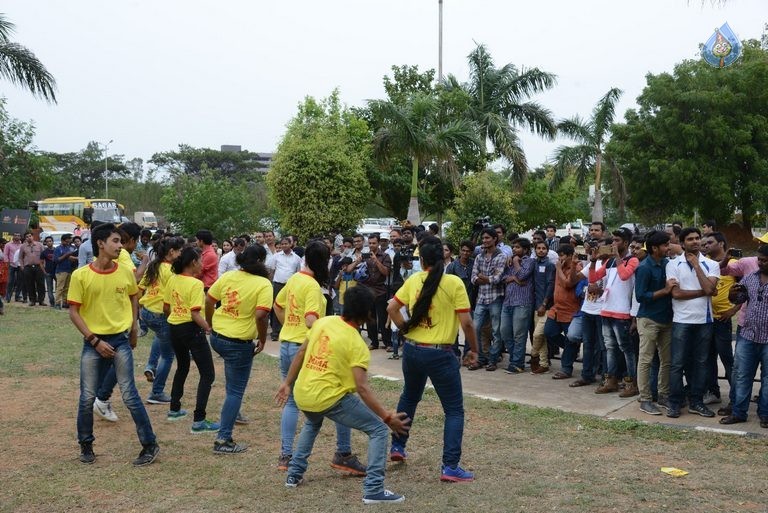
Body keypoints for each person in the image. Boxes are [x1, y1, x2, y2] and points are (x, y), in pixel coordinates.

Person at [276, 286, 411, 504]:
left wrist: (287, 383)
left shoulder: (323, 322)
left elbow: (301, 352)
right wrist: (386, 417)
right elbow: (362, 388)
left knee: (312, 423)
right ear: (367, 314)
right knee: (378, 430)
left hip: (304, 392)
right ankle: (374, 489)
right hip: (328, 397)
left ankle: (294, 474)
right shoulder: (357, 344)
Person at [387, 235, 478, 482]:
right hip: (441, 353)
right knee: (454, 411)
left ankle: (397, 447)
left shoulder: (414, 280)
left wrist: (405, 330)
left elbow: (391, 309)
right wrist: (474, 349)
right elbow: (467, 322)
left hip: (414, 350)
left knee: (410, 396)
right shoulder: (454, 283)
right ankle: (450, 466)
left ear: (422, 259)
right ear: (444, 257)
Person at [68, 223, 159, 466]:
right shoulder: (81, 275)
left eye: (121, 242)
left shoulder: (124, 272)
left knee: (130, 395)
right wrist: (94, 341)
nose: (120, 246)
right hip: (92, 342)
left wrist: (133, 328)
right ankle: (86, 445)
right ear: (100, 244)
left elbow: (133, 297)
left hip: (120, 340)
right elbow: (74, 311)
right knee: (87, 396)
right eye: (116, 241)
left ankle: (150, 445)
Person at [274, 240, 366, 475]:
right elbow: (311, 321)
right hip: (302, 348)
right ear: (323, 262)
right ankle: (343, 453)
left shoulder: (295, 278)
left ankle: (286, 456)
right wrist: (323, 337)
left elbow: (277, 305)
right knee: (339, 395)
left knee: (292, 402)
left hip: (286, 345)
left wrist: (288, 327)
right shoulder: (313, 287)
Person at [206, 245, 273, 453]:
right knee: (235, 391)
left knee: (232, 386)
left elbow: (209, 299)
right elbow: (261, 316)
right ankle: (223, 439)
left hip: (218, 337)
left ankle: (233, 413)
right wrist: (262, 339)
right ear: (261, 261)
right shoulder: (263, 284)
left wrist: (210, 323)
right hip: (238, 342)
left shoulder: (229, 277)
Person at [164, 246, 220, 433]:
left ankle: (174, 408)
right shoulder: (196, 284)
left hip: (174, 327)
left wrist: (175, 319)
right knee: (208, 374)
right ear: (193, 263)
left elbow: (166, 307)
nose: (202, 263)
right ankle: (199, 420)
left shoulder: (173, 279)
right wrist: (209, 328)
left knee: (182, 366)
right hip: (191, 329)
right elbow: (195, 314)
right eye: (200, 260)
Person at [665, 227, 719, 419]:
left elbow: (710, 288)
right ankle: (674, 403)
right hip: (681, 320)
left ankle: (697, 402)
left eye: (698, 238)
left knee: (702, 363)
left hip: (704, 320)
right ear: (682, 243)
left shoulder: (711, 264)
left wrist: (696, 265)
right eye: (690, 239)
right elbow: (676, 294)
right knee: (677, 364)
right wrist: (705, 292)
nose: (695, 242)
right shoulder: (673, 264)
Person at [719, 244, 768, 427]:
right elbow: (739, 299)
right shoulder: (750, 278)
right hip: (747, 335)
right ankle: (739, 412)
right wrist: (733, 295)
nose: (760, 263)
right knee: (742, 375)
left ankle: (765, 414)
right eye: (759, 260)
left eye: (764, 261)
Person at [634, 231, 676, 415]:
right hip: (649, 319)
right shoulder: (644, 268)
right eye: (665, 245)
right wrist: (665, 291)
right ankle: (645, 399)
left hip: (667, 319)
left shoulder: (668, 264)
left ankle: (664, 395)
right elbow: (641, 296)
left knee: (667, 361)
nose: (668, 248)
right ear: (654, 248)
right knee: (646, 360)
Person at [138, 237, 183, 404]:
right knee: (167, 356)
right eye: (179, 251)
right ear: (171, 252)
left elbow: (140, 288)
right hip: (160, 314)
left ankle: (150, 366)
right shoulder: (170, 271)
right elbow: (169, 301)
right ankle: (156, 392)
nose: (180, 254)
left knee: (160, 336)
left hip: (147, 311)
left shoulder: (154, 265)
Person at [469, 227, 505, 370]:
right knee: (475, 328)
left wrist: (483, 277)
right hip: (481, 298)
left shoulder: (500, 256)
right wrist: (486, 278)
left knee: (496, 331)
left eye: (487, 238)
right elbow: (473, 278)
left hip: (495, 298)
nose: (484, 241)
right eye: (483, 238)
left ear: (494, 239)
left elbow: (497, 279)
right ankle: (481, 358)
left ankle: (493, 359)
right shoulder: (479, 256)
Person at [500, 238, 535, 373]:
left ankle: (517, 363)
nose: (514, 249)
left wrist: (515, 269)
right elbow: (503, 277)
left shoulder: (529, 261)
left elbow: (522, 275)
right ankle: (516, 359)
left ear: (525, 250)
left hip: (522, 303)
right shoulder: (509, 261)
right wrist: (515, 278)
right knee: (505, 332)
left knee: (519, 335)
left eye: (517, 247)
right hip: (508, 302)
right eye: (513, 247)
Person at [268, 236, 302, 341]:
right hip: (278, 284)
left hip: (290, 286)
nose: (284, 245)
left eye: (286, 243)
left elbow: (298, 273)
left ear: (291, 244)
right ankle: (275, 332)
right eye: (282, 244)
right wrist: (271, 283)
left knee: (289, 307)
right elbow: (272, 271)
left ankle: (286, 330)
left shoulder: (297, 258)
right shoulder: (276, 256)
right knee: (277, 307)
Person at [19, 231, 45, 306]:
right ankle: (32, 300)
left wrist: (44, 266)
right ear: (25, 238)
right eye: (27, 237)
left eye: (30, 236)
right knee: (29, 284)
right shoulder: (23, 246)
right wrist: (22, 267)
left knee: (41, 284)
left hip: (39, 267)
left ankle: (41, 300)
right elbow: (20, 257)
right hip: (28, 267)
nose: (29, 238)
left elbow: (44, 256)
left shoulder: (39, 245)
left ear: (32, 236)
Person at [53, 233, 78, 309]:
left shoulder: (71, 247)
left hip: (69, 270)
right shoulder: (58, 248)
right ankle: (57, 303)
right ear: (62, 241)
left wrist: (73, 257)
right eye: (66, 242)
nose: (68, 243)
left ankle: (65, 302)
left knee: (67, 287)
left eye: (69, 241)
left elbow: (73, 256)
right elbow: (56, 260)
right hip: (61, 270)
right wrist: (66, 255)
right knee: (60, 288)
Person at [41, 235, 56, 307]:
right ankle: (52, 302)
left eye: (50, 241)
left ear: (53, 242)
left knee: (58, 288)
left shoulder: (57, 250)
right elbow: (41, 262)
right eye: (47, 242)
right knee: (50, 288)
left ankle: (58, 302)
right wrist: (44, 272)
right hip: (48, 272)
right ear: (45, 243)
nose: (49, 243)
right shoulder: (44, 252)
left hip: (57, 272)